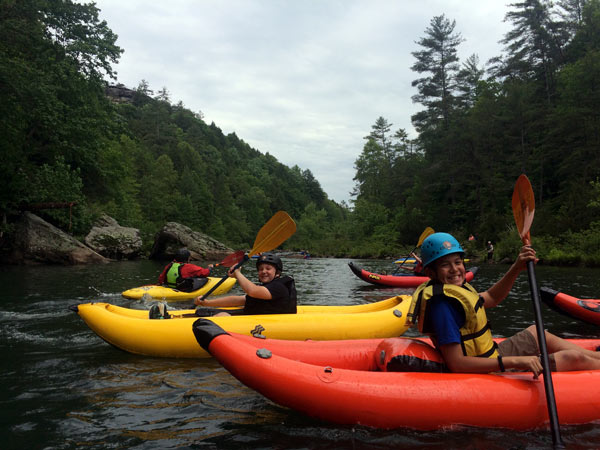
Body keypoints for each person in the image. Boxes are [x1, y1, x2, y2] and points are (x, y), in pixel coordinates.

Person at [407, 232, 600, 377]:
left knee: (535, 332)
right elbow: (457, 364)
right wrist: (514, 361)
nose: (455, 269)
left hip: (490, 355)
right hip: (483, 371)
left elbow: (492, 297)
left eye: (457, 262)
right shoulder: (443, 307)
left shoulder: (458, 291)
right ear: (431, 273)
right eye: (444, 265)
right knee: (572, 359)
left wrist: (517, 267)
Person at [194, 252, 297, 316]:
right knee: (207, 312)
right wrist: (207, 303)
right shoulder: (264, 288)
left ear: (277, 272)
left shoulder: (279, 287)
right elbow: (238, 300)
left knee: (222, 316)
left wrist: (238, 273)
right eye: (260, 269)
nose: (264, 271)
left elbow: (252, 291)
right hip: (254, 318)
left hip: (269, 325)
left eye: (268, 269)